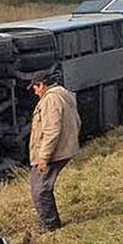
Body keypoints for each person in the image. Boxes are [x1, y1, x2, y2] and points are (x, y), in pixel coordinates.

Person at [28, 73, 81, 233]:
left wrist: (43, 157)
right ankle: (49, 222)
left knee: (39, 189)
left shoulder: (50, 99)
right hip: (63, 148)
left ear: (42, 85)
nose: (35, 92)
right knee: (41, 187)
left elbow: (52, 130)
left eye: (35, 88)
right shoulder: (63, 94)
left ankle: (49, 225)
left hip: (54, 152)